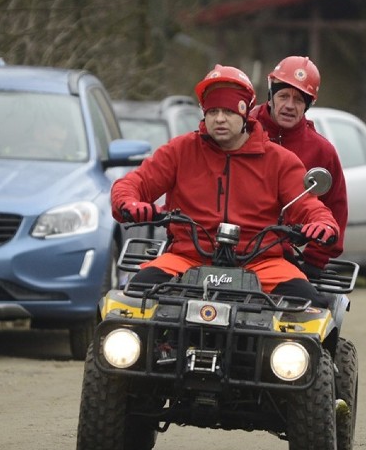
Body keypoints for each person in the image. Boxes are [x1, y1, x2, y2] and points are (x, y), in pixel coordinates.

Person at [111, 64, 339, 307]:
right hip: (187, 258)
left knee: (311, 307)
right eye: (213, 111)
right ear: (204, 113)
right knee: (134, 297)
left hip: (262, 264)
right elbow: (133, 183)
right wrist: (129, 202)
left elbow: (307, 205)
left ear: (245, 114)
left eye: (228, 112)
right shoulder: (179, 151)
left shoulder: (281, 161)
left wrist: (322, 223)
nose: (219, 119)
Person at [250, 56, 348, 280]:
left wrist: (315, 259)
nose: (289, 106)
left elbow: (336, 209)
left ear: (308, 105)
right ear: (271, 95)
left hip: (281, 256)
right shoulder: (243, 131)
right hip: (232, 248)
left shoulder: (322, 151)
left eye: (299, 100)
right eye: (283, 96)